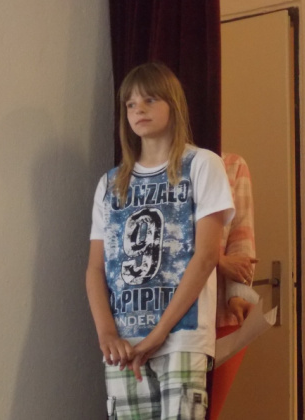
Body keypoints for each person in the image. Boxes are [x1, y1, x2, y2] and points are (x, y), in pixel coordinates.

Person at [85, 62, 234, 419]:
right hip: (125, 343)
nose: (139, 109)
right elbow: (95, 268)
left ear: (173, 104)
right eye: (130, 104)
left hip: (181, 336)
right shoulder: (110, 184)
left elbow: (206, 256)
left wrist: (159, 334)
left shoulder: (201, 165)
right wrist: (107, 334)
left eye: (150, 100)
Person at [208, 152, 259, 418]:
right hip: (170, 313)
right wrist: (218, 261)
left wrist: (238, 293)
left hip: (221, 313)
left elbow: (241, 237)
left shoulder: (233, 165)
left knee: (208, 412)